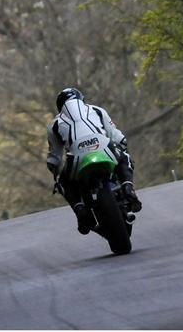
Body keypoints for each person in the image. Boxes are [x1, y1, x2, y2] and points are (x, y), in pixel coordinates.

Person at [47, 87, 142, 235]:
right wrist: (122, 146)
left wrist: (55, 171)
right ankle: (128, 187)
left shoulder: (54, 124)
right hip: (103, 146)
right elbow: (117, 137)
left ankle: (80, 210)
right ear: (81, 99)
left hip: (77, 156)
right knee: (124, 156)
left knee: (63, 180)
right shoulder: (97, 110)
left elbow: (55, 158)